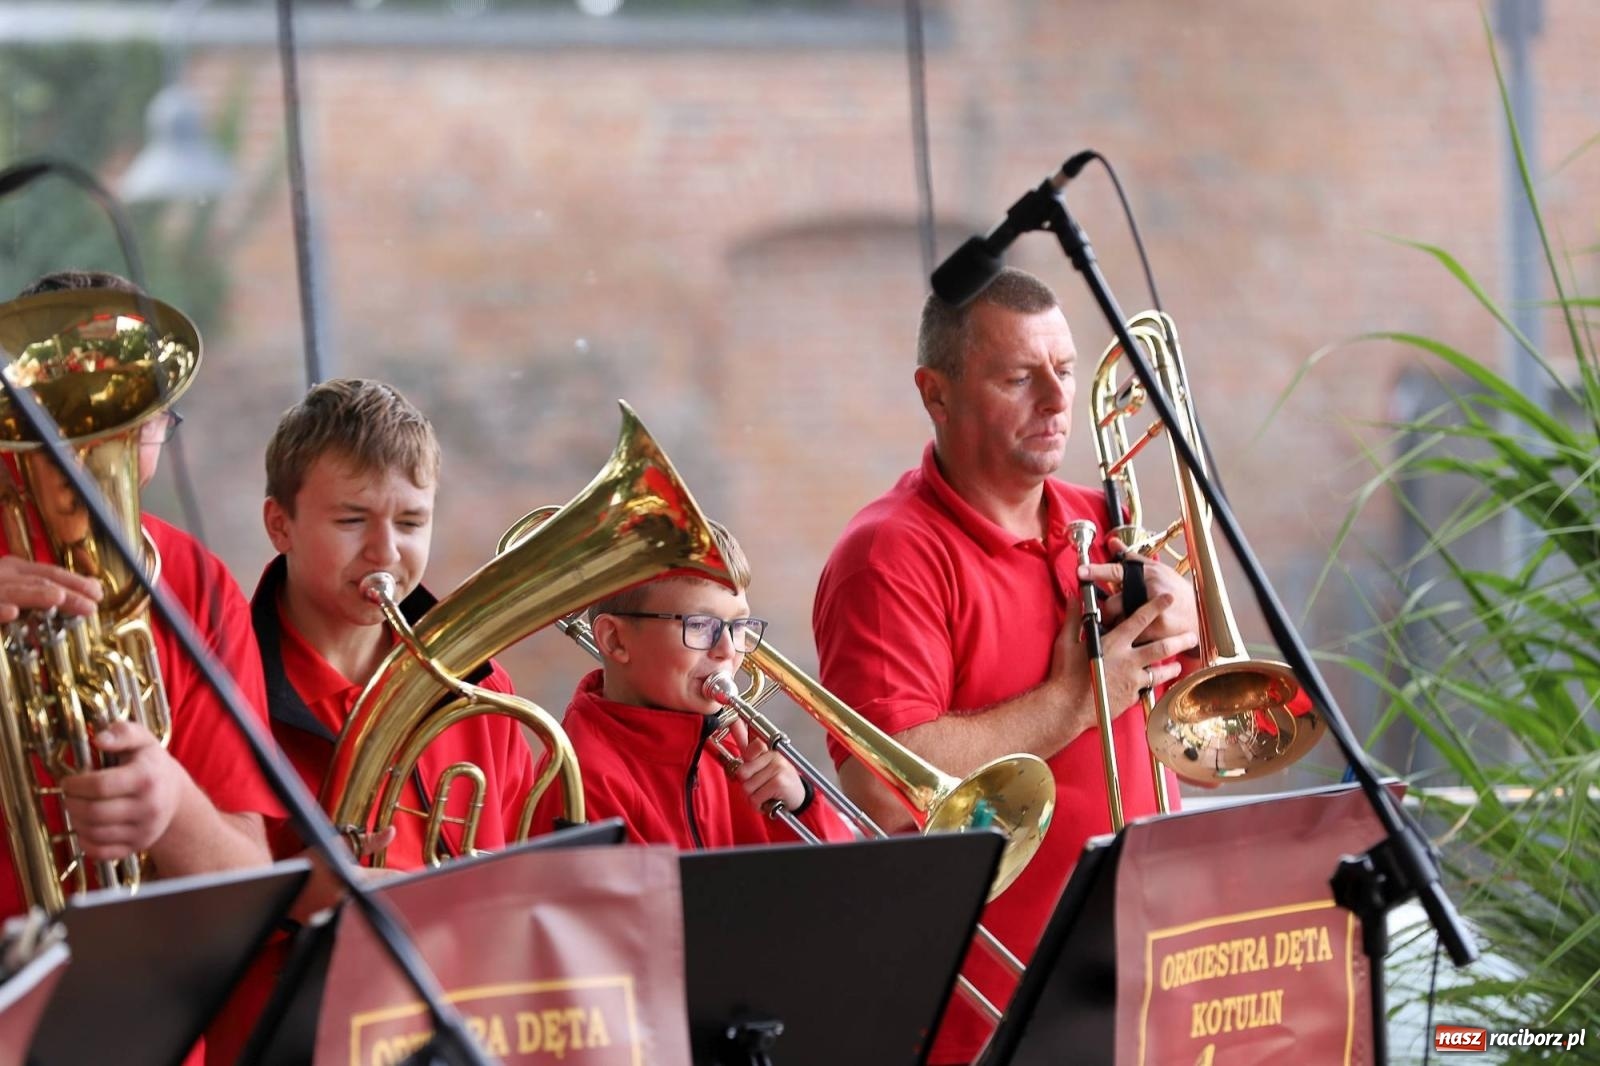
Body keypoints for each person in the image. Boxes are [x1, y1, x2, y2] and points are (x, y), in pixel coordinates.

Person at [812, 267, 1202, 1064]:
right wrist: (1073, 701)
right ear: (938, 393)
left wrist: (1190, 636)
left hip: (1148, 975)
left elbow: (1193, 744)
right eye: (1020, 378)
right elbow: (888, 785)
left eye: (1063, 372)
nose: (1058, 405)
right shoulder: (888, 555)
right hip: (990, 1014)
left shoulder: (1107, 520)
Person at [205, 378, 543, 1062]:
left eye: (412, 522)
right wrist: (294, 894)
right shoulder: (217, 688)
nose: (387, 552)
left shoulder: (478, 689)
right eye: (352, 519)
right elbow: (182, 915)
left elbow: (523, 887)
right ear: (280, 525)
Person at [0, 271, 284, 1066]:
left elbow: (245, 879)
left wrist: (173, 808)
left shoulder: (196, 587)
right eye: (60, 424)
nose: (93, 453)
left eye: (135, 422)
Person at [543, 521, 850, 848]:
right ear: (615, 639)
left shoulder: (739, 750)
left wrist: (801, 805)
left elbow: (850, 882)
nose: (729, 650)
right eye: (701, 625)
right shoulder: (579, 780)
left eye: (739, 625)